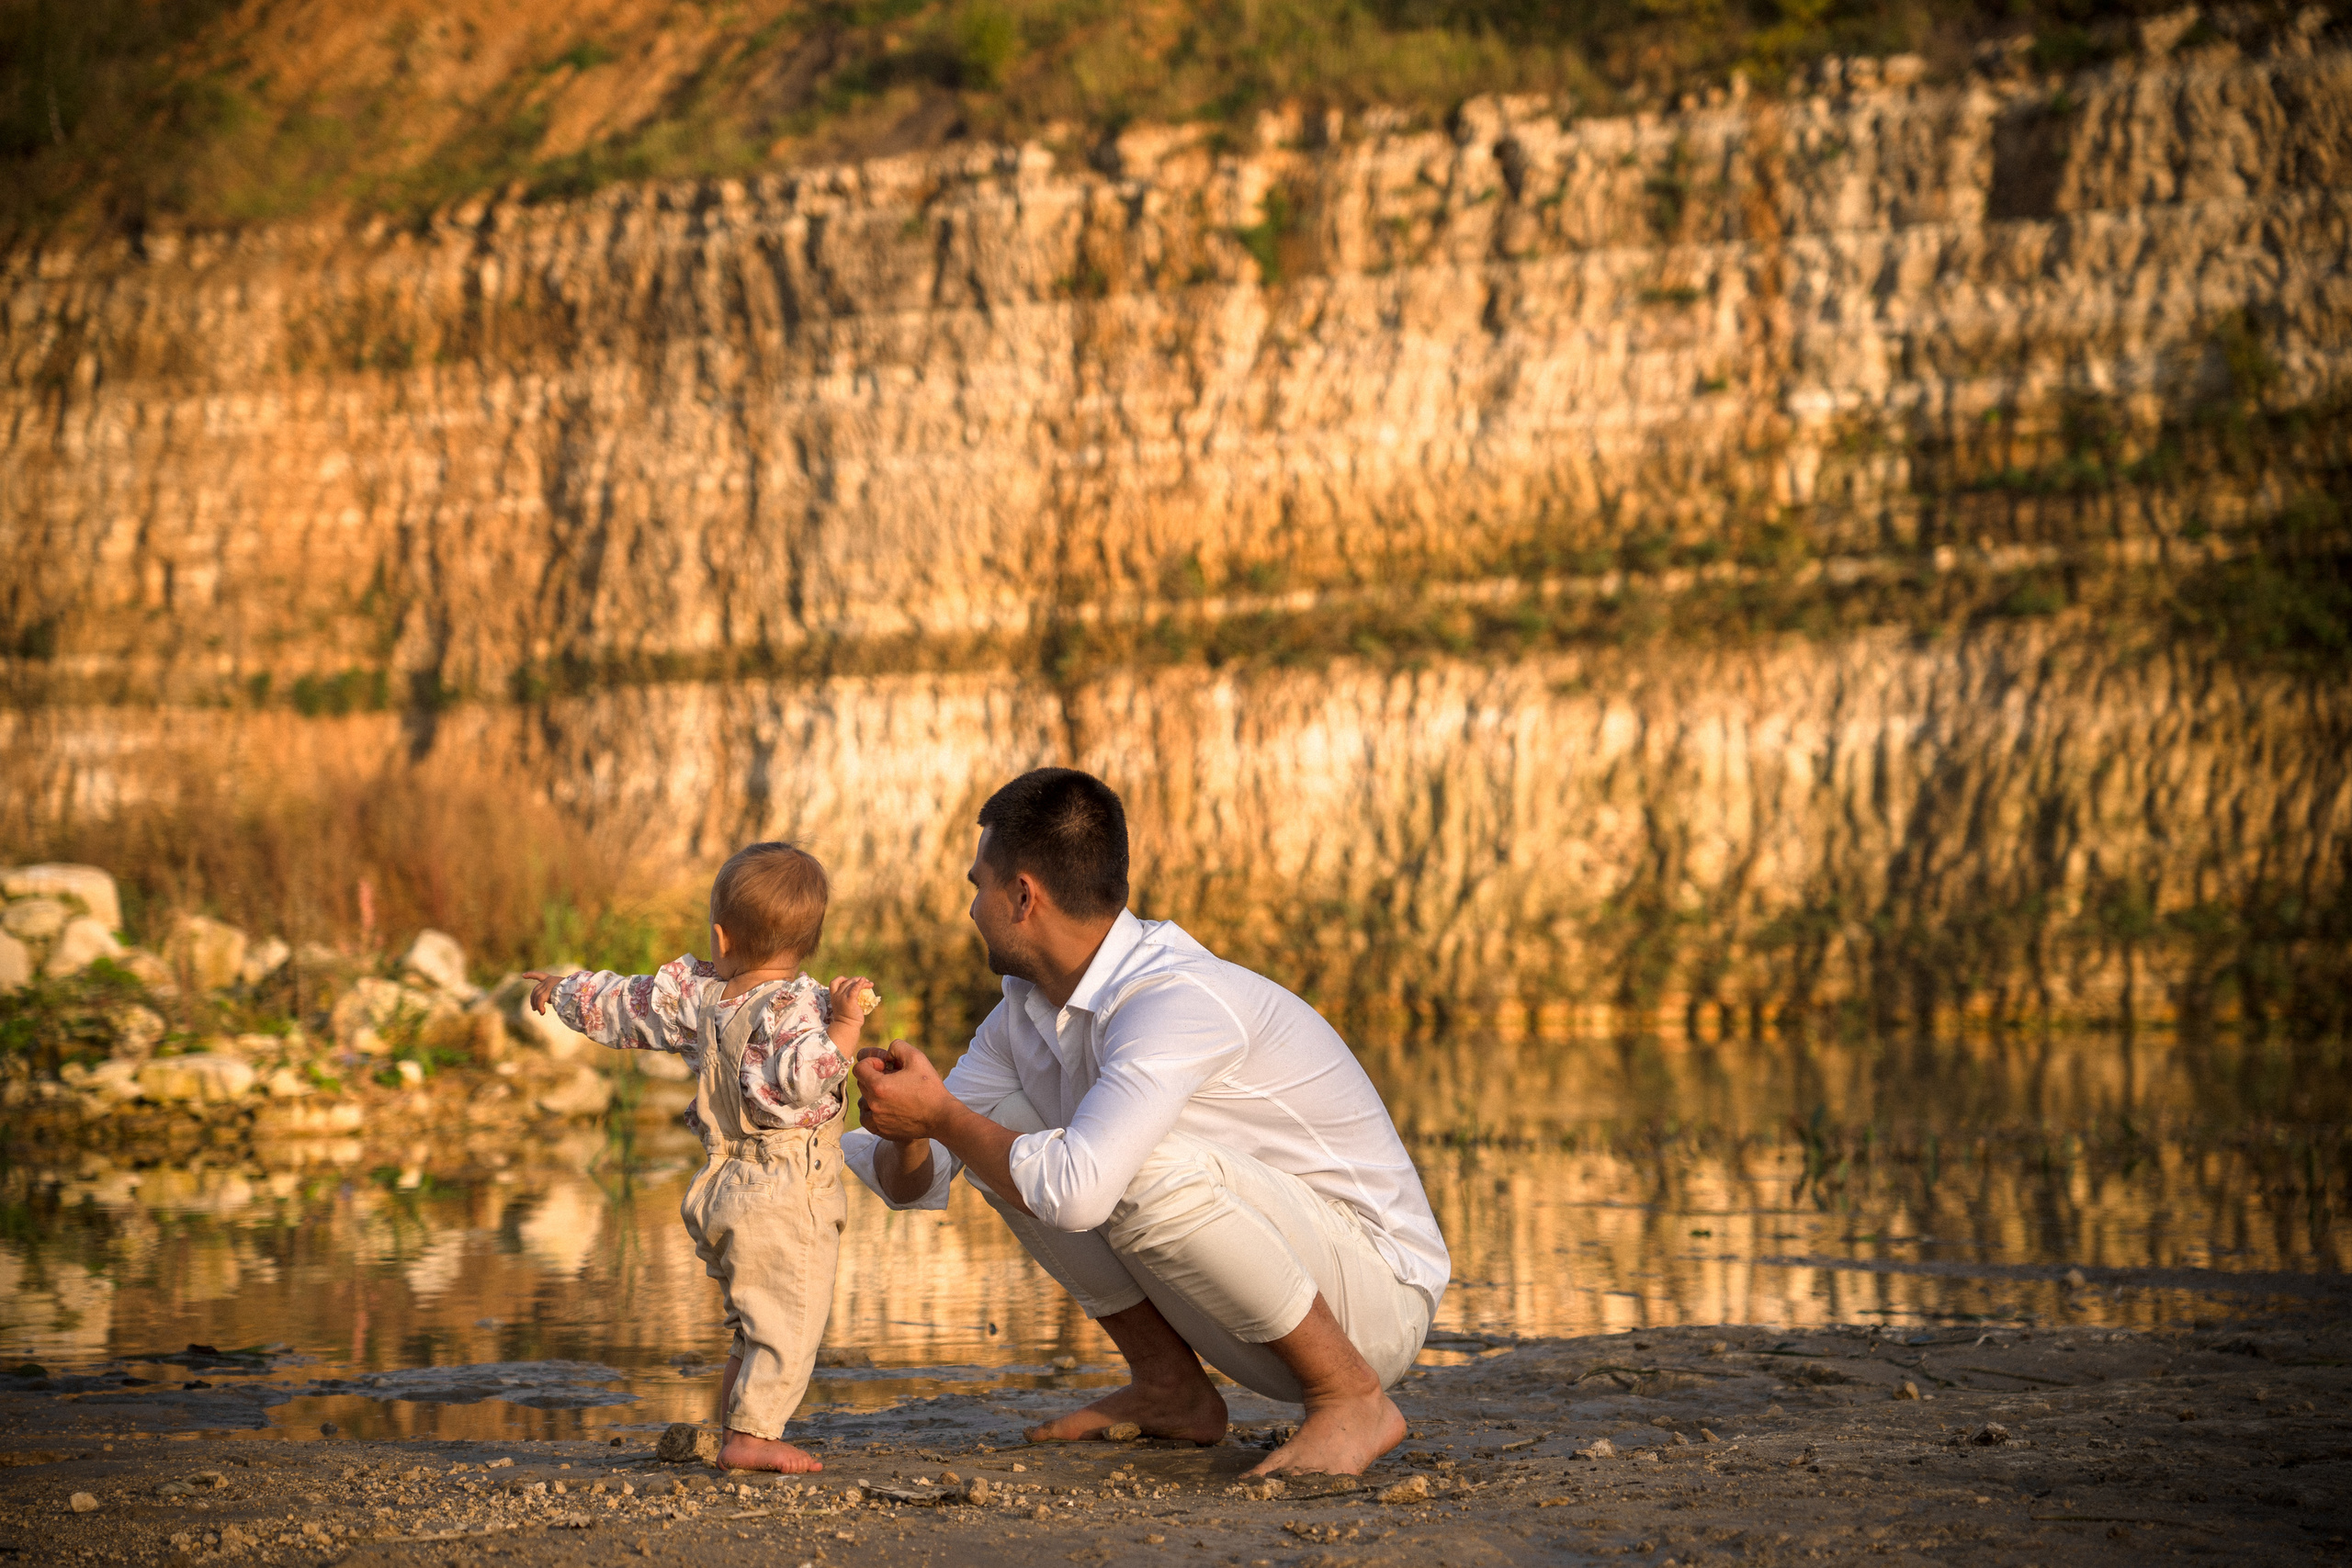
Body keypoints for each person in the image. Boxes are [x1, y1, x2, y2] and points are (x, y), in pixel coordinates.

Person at [842, 769, 1447, 1476]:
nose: (971, 907)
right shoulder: (1022, 1011)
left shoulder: (1171, 998)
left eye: (977, 885)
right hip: (1259, 1306)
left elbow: (1080, 1192)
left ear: (1023, 895)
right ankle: (1171, 1388)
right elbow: (913, 1185)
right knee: (999, 1129)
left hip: (1374, 1302)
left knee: (1123, 1168)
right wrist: (916, 1126)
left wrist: (941, 1113)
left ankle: (1353, 1398)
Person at [524, 841, 875, 1473]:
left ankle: (733, 1426)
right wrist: (846, 1028)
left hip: (721, 1183)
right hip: (784, 1186)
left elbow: (626, 1005)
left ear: (720, 934)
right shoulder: (796, 1008)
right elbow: (803, 1077)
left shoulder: (697, 995)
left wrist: (565, 990)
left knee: (753, 1318)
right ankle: (754, 1435)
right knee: (791, 1321)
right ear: (809, 942)